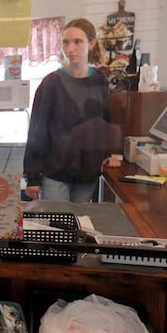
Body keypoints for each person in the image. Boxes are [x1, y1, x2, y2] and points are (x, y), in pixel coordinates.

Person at [23, 18, 121, 202]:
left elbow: (106, 122)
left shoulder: (100, 80)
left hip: (88, 171)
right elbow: (37, 131)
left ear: (91, 44)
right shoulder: (51, 83)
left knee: (80, 225)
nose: (70, 49)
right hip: (56, 172)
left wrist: (110, 155)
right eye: (66, 42)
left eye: (77, 42)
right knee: (59, 227)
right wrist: (32, 176)